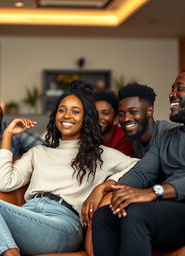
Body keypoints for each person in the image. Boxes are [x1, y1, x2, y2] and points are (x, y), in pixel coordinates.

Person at [0, 80, 138, 256]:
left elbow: (138, 166)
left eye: (75, 111)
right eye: (62, 110)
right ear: (55, 116)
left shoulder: (101, 154)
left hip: (63, 223)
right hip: (27, 214)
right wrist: (7, 135)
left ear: (86, 119)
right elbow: (3, 183)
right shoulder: (38, 152)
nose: (66, 115)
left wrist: (104, 186)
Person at [92, 71, 185, 256]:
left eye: (180, 88)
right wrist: (120, 190)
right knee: (104, 216)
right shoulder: (167, 137)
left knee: (137, 215)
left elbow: (152, 190)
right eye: (172, 89)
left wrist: (153, 192)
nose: (172, 94)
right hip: (171, 209)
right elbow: (142, 172)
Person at [117, 82, 177, 158]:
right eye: (121, 114)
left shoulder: (170, 135)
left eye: (133, 112)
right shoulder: (136, 143)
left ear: (150, 111)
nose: (126, 119)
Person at [94, 91, 134, 157]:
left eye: (105, 113)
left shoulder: (125, 137)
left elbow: (118, 163)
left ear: (115, 118)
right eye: (95, 113)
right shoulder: (86, 135)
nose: (99, 117)